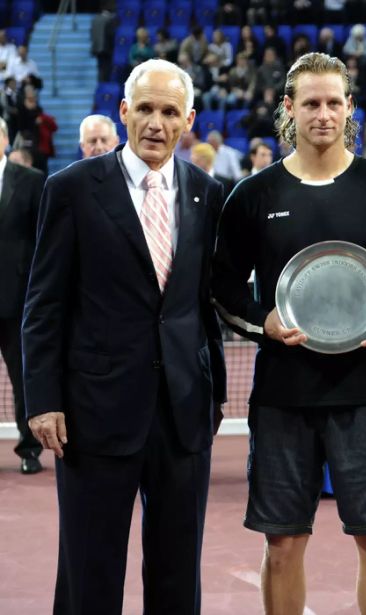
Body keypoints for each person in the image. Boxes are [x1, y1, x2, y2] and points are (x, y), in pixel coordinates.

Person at [210, 52, 366, 615]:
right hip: (284, 395)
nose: (323, 113)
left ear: (350, 107)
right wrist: (265, 322)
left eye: (334, 102)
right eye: (311, 102)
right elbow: (224, 287)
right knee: (282, 545)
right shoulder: (253, 195)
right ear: (289, 108)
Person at [22, 58, 227, 614]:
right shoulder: (72, 189)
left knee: (178, 572)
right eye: (144, 109)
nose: (155, 124)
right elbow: (44, 305)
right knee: (90, 569)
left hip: (183, 414)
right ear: (123, 112)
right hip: (94, 413)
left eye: (168, 112)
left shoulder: (208, 192)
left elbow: (204, 302)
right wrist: (42, 401)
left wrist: (215, 393)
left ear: (188, 119)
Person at [0, 117, 45, 474]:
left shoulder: (31, 182)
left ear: (4, 139)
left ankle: (29, 449)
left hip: (18, 301)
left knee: (23, 379)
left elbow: (43, 243)